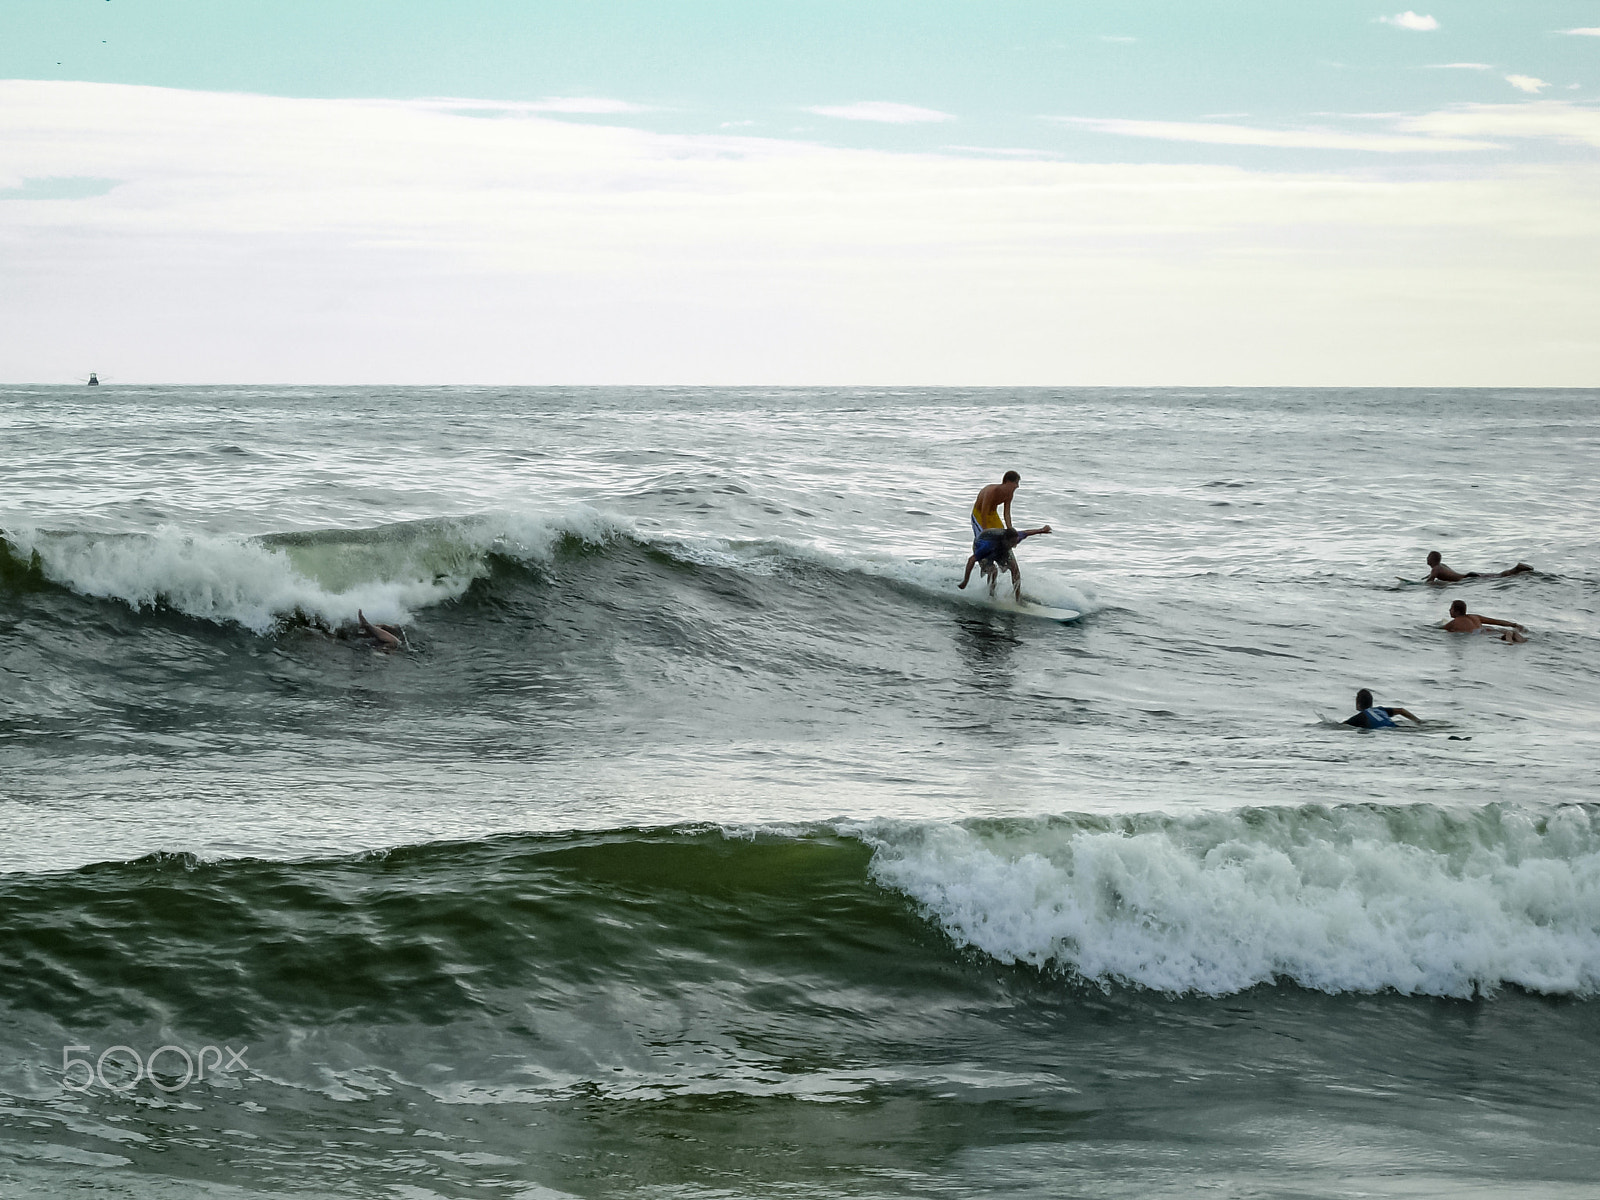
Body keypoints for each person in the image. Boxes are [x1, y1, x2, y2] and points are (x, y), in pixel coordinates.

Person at [959, 525, 1052, 600]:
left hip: (1001, 548)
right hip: (982, 545)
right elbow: (971, 560)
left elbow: (1026, 533)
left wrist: (1042, 530)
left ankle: (1017, 598)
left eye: (1016, 542)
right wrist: (965, 581)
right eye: (1012, 543)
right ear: (1005, 540)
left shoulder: (1014, 538)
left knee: (1015, 569)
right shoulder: (988, 545)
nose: (1015, 546)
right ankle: (991, 595)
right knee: (993, 571)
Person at [1422, 550, 1534, 584]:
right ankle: (1516, 570)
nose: (1426, 559)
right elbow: (1432, 576)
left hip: (1468, 579)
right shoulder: (1441, 566)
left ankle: (1517, 569)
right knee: (1497, 575)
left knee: (1499, 577)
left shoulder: (1435, 569)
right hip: (1469, 576)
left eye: (1428, 557)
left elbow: (1430, 581)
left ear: (1432, 560)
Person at [1443, 599, 1527, 642]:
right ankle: (1512, 634)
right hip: (1487, 630)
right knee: (1508, 635)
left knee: (1501, 639)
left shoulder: (1454, 622)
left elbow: (1439, 630)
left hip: (1480, 634)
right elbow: (1495, 621)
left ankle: (1508, 636)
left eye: (1451, 608)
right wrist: (1513, 624)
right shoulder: (1475, 616)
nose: (1449, 610)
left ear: (1457, 611)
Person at [1343, 688, 1421, 729]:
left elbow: (1341, 726)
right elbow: (1401, 710)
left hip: (1387, 733)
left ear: (1358, 704)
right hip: (1397, 728)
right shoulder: (1380, 710)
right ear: (1371, 702)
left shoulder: (1358, 718)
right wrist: (1417, 721)